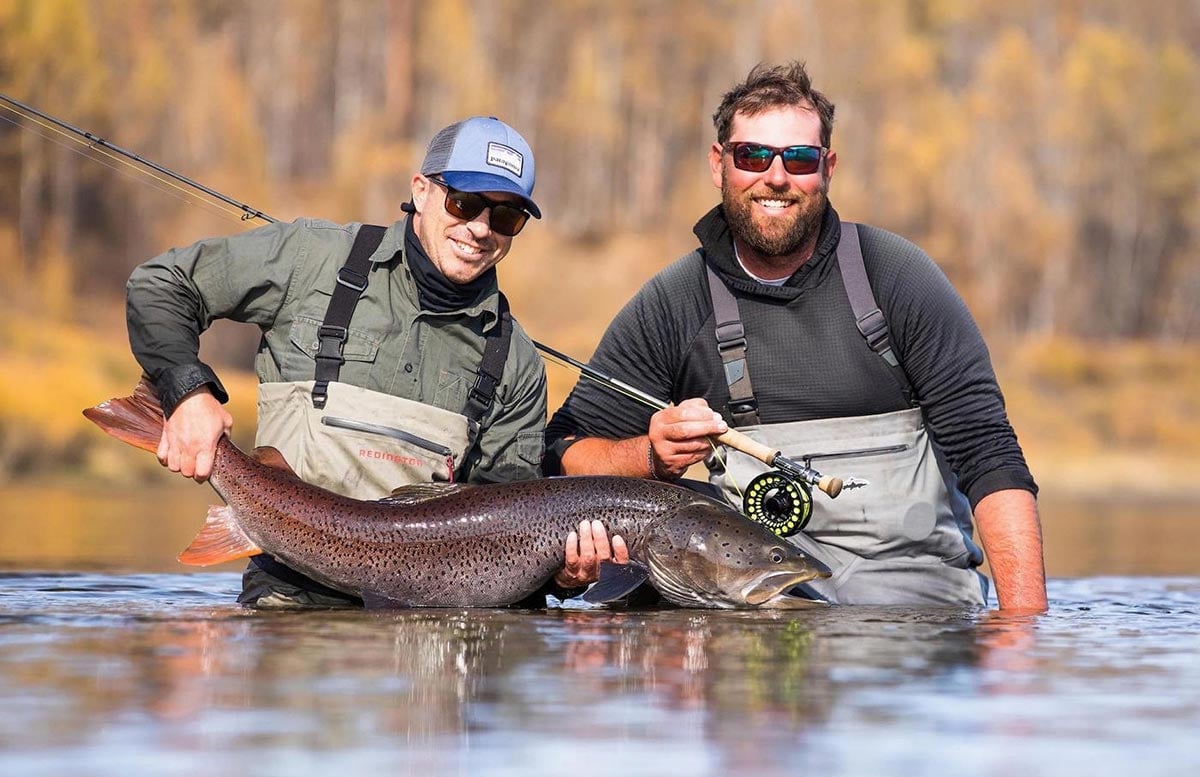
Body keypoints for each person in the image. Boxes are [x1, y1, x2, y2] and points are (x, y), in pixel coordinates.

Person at [545, 63, 1047, 611]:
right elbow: (565, 453)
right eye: (753, 156)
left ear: (827, 168)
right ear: (720, 165)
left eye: (799, 159)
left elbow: (989, 453)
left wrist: (1022, 631)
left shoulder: (896, 276)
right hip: (747, 612)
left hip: (908, 613)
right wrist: (650, 455)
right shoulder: (675, 302)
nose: (776, 177)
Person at [127, 116, 623, 607]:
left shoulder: (515, 362)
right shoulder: (313, 260)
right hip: (288, 606)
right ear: (422, 191)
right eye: (465, 203)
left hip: (420, 637)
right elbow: (161, 284)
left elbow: (510, 525)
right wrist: (187, 393)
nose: (479, 229)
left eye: (505, 217)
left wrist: (566, 575)